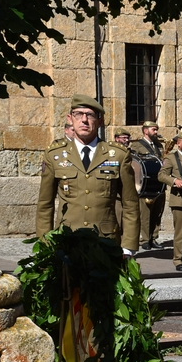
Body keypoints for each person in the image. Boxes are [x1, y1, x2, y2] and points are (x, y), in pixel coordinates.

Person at [37, 94, 140, 254]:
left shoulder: (118, 155)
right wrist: (44, 245)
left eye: (90, 115)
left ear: (99, 121)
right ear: (70, 119)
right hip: (67, 241)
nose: (84, 120)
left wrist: (128, 246)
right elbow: (45, 204)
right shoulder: (55, 155)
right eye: (79, 114)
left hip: (105, 242)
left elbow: (130, 204)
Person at [158, 130, 182, 271]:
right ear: (178, 143)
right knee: (180, 233)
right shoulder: (171, 158)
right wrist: (174, 181)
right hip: (179, 200)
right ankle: (178, 260)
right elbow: (161, 175)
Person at [130, 120, 166, 249]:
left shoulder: (158, 145)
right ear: (145, 131)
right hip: (146, 184)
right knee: (145, 214)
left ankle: (154, 238)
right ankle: (145, 239)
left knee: (157, 212)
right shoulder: (137, 145)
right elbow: (134, 163)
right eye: (153, 130)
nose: (156, 132)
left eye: (156, 130)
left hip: (159, 183)